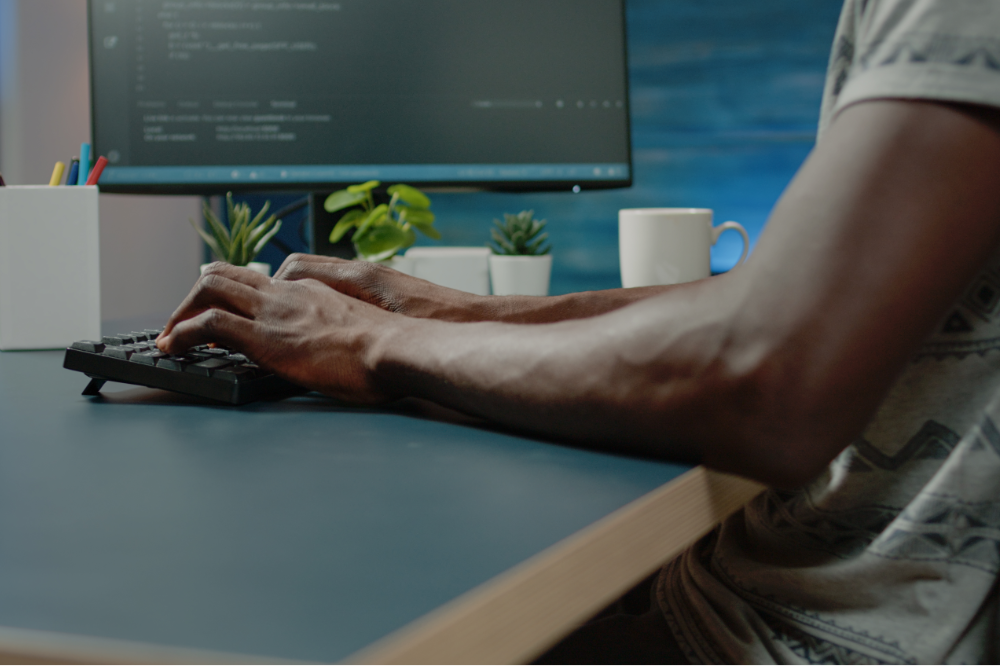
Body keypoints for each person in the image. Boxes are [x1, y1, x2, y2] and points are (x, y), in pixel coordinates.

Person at [157, 0, 1000, 663]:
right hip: (774, 592)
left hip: (804, 633)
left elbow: (766, 369)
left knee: (271, 609)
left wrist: (371, 344)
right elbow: (767, 303)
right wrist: (442, 310)